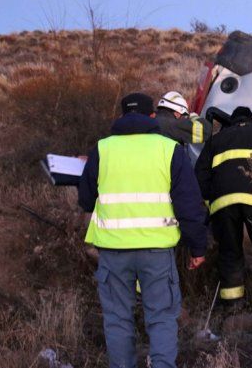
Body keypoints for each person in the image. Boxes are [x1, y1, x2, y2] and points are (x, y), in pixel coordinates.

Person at [78, 92, 208, 368]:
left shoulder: (102, 149)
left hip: (112, 252)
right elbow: (189, 204)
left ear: (122, 115)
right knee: (161, 317)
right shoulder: (169, 148)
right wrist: (197, 247)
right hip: (156, 252)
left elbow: (86, 200)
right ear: (152, 116)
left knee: (117, 319)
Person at [194, 106, 252, 308]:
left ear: (232, 121)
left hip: (223, 203)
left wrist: (209, 201)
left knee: (229, 253)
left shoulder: (216, 140)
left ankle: (232, 306)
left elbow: (200, 174)